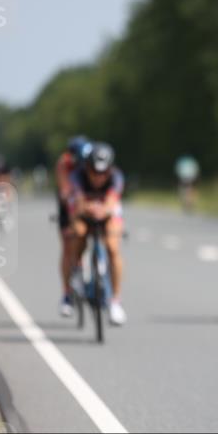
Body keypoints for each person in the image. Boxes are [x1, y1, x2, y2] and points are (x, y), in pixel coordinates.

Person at [65, 142, 128, 326]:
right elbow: (77, 201)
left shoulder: (116, 176)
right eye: (94, 171)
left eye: (103, 173)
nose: (98, 177)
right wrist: (87, 207)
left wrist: (103, 209)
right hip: (83, 211)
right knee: (78, 232)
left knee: (113, 247)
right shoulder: (77, 176)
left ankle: (115, 301)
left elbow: (112, 200)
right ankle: (76, 270)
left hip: (107, 213)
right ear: (87, 167)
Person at [57, 136, 90, 317]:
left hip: (88, 198)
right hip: (69, 202)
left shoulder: (93, 160)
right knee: (68, 245)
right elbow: (65, 192)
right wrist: (72, 217)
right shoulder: (64, 163)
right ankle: (67, 293)